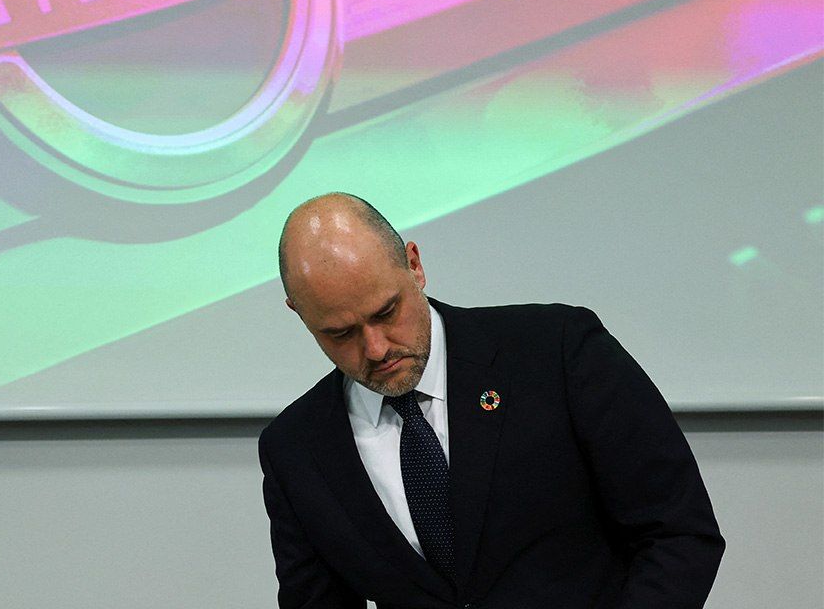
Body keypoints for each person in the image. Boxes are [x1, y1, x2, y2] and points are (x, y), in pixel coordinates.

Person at [259, 193, 724, 608]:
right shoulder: (296, 447)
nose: (377, 349)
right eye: (340, 333)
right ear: (298, 313)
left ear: (414, 265)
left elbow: (677, 531)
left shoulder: (556, 351)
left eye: (387, 312)